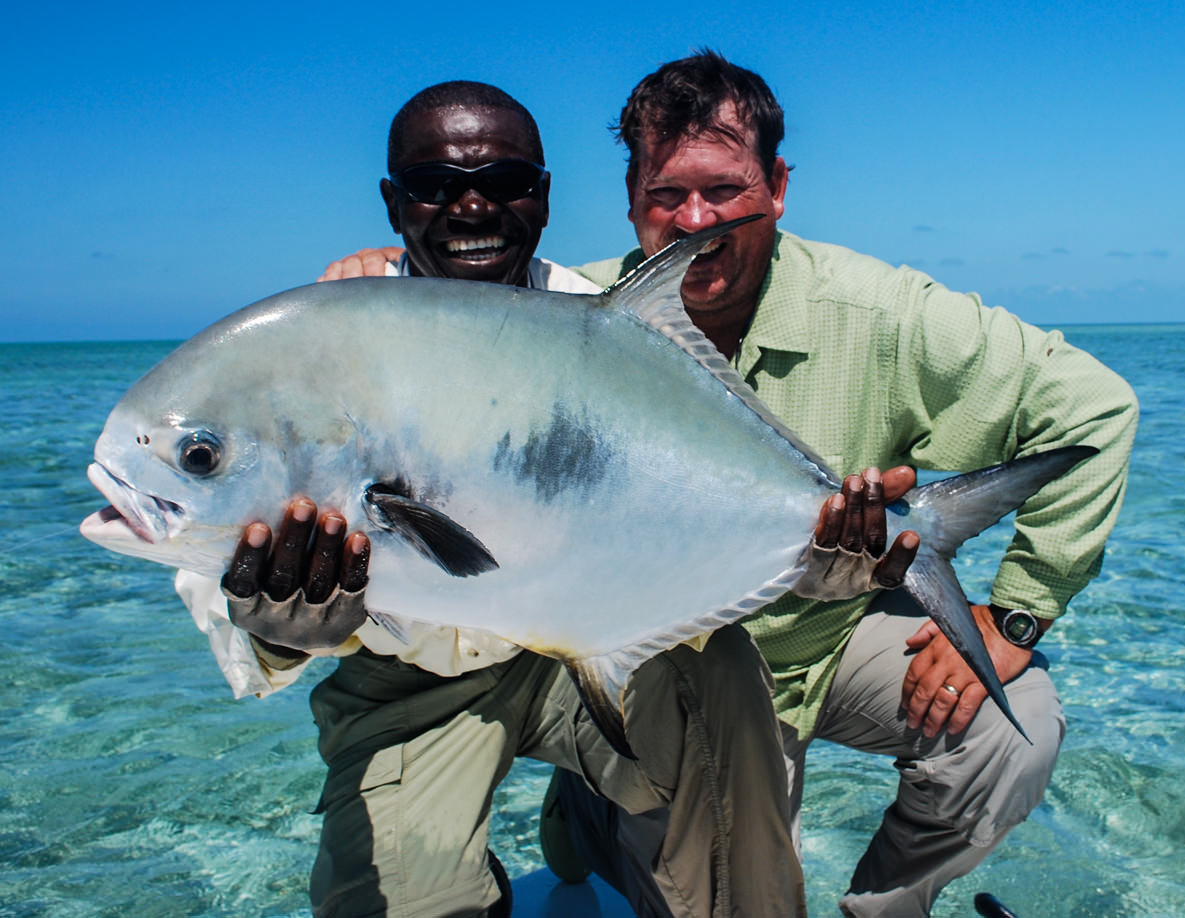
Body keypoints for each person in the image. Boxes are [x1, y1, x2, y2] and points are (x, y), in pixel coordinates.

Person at [328, 51, 1137, 915]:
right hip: (662, 659)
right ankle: (590, 810)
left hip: (824, 638)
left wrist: (1014, 612)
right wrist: (394, 292)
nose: (695, 221)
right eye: (666, 196)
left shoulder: (885, 316)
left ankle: (887, 911)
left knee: (1012, 733)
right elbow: (469, 294)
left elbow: (1093, 408)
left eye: (724, 190)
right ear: (630, 197)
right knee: (671, 859)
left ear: (778, 185)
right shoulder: (577, 315)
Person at [176, 80, 919, 918]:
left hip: (582, 653)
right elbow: (223, 555)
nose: (470, 205)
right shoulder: (319, 343)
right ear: (393, 203)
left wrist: (817, 553)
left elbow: (683, 507)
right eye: (433, 185)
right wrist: (273, 632)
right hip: (406, 686)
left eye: (504, 181)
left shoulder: (604, 326)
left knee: (723, 683)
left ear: (543, 196)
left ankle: (629, 843)